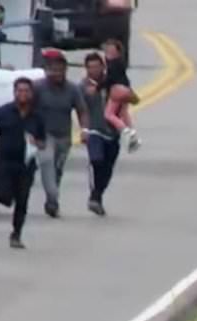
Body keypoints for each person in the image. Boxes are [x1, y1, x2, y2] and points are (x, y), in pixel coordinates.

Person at [0, 77, 46, 249]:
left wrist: (36, 142)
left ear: (32, 94)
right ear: (14, 93)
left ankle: (16, 233)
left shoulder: (37, 116)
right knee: (3, 194)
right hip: (5, 161)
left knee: (22, 199)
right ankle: (5, 197)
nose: (23, 94)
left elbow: (43, 141)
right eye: (19, 91)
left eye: (26, 91)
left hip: (25, 164)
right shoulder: (3, 112)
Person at [32, 48, 89, 218]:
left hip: (64, 135)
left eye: (60, 69)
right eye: (53, 69)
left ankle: (51, 200)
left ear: (65, 70)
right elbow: (27, 109)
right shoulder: (38, 87)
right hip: (44, 134)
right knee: (46, 162)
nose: (56, 73)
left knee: (57, 168)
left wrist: (84, 130)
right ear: (47, 69)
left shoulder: (72, 89)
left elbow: (82, 110)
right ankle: (53, 196)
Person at [79, 51, 119, 216]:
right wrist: (84, 130)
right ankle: (95, 197)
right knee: (97, 161)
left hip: (112, 132)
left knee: (107, 168)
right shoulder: (82, 86)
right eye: (90, 67)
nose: (94, 70)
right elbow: (80, 110)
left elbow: (132, 99)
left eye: (97, 66)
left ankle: (97, 196)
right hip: (95, 131)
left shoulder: (113, 83)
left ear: (103, 67)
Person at [101, 38, 140, 152]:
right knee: (123, 113)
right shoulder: (121, 62)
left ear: (117, 52)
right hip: (125, 88)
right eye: (107, 50)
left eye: (111, 51)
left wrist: (99, 86)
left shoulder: (113, 64)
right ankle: (132, 136)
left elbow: (110, 79)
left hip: (117, 89)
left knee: (108, 114)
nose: (109, 53)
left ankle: (124, 129)